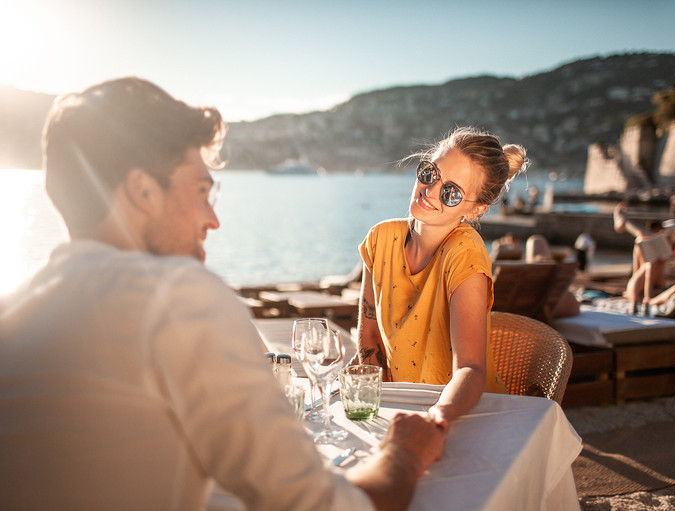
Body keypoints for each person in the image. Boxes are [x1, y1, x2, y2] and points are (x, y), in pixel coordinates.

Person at [0, 77, 446, 511]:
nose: (213, 220)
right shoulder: (175, 299)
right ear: (143, 191)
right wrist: (404, 454)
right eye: (201, 191)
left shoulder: (14, 314)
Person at [355, 127, 526, 432]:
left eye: (451, 192)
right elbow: (369, 340)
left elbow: (470, 369)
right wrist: (372, 408)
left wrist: (438, 419)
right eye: (430, 173)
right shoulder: (380, 239)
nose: (430, 190)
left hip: (464, 416)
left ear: (475, 209)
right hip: (400, 411)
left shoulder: (464, 254)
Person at [613, 203, 669, 311]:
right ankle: (625, 223)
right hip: (642, 292)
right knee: (644, 238)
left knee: (641, 238)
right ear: (659, 229)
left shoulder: (642, 244)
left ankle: (625, 223)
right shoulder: (656, 250)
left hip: (635, 287)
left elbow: (636, 268)